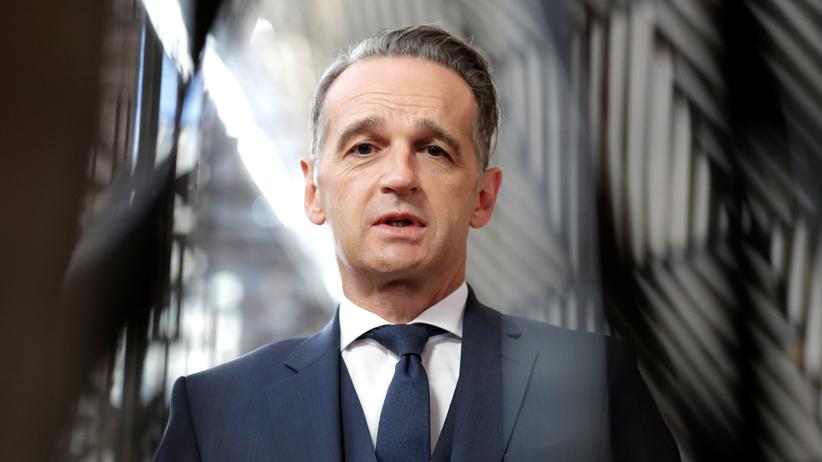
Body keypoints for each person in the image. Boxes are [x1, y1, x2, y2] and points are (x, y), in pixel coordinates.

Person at [155, 25, 679, 461]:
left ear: (483, 197)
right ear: (314, 192)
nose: (400, 177)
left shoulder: (592, 385)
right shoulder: (214, 411)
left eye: (433, 150)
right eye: (365, 148)